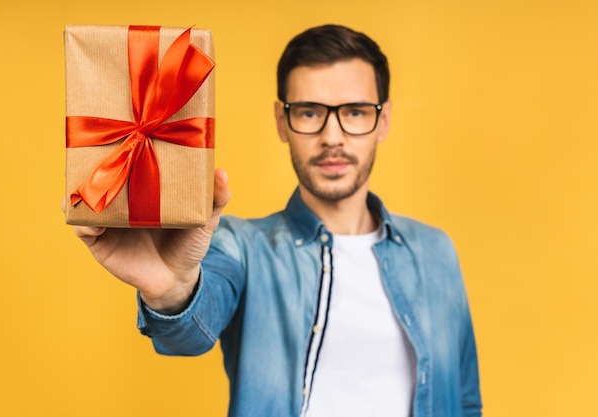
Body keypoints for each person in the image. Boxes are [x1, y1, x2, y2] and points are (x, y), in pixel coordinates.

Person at [73, 24, 482, 417]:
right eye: (309, 112)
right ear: (282, 121)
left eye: (355, 112)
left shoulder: (434, 250)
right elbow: (189, 334)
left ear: (384, 119)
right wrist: (170, 291)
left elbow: (464, 402)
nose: (332, 136)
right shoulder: (243, 246)